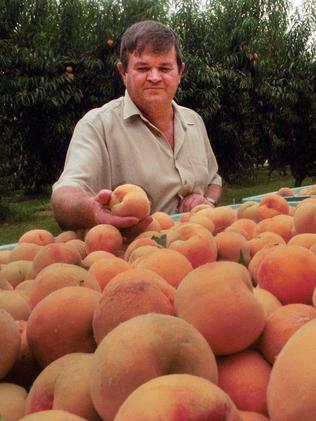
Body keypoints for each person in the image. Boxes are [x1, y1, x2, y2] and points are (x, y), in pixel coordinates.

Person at [51, 20, 222, 230]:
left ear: (180, 73)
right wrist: (92, 210)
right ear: (123, 73)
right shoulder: (98, 125)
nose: (154, 77)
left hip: (198, 248)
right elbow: (64, 196)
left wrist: (207, 201)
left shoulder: (193, 121)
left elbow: (214, 180)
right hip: (135, 256)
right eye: (143, 68)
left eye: (164, 68)